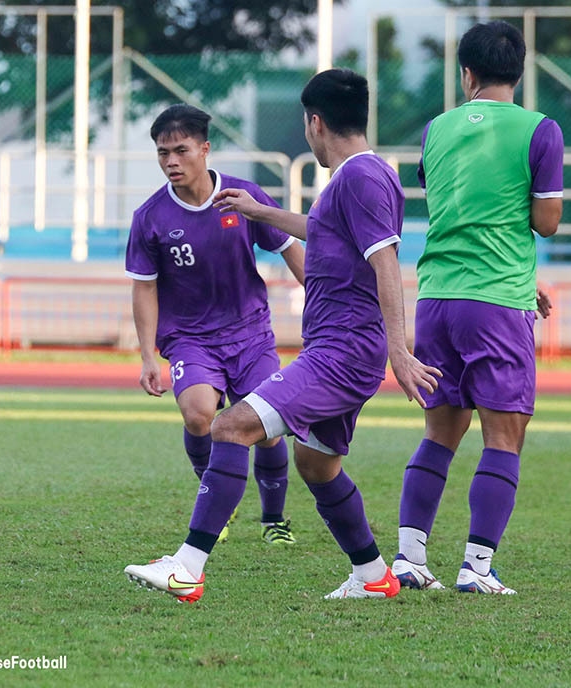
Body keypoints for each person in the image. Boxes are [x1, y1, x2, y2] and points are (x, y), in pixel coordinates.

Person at [125, 70, 440, 602]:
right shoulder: (359, 176)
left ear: (315, 123)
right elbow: (326, 234)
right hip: (339, 346)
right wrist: (259, 210)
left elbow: (385, 261)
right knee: (316, 464)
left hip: (342, 351)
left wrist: (399, 350)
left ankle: (187, 567)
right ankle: (374, 576)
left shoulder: (359, 177)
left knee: (228, 427)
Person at [391, 20, 563, 595]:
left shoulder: (435, 130)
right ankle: (477, 568)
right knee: (503, 437)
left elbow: (455, 207)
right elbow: (546, 221)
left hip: (438, 295)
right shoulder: (540, 130)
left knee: (440, 432)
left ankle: (410, 557)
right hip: (497, 301)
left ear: (466, 73)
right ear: (519, 70)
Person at [124, 103, 306, 546]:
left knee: (265, 429)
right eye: (162, 152)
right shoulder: (150, 218)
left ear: (205, 149)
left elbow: (288, 248)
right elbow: (144, 288)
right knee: (199, 414)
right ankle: (216, 502)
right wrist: (148, 355)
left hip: (250, 335)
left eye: (180, 150)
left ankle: (274, 519)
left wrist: (323, 302)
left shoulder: (243, 197)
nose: (171, 161)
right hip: (189, 339)